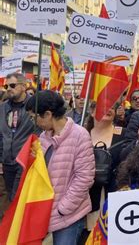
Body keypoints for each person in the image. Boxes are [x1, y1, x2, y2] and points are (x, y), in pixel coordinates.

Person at [25, 90, 95, 244]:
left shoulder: (80, 135)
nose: (33, 122)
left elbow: (84, 178)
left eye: (34, 117)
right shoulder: (44, 136)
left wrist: (63, 209)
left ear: (48, 114)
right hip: (46, 211)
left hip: (68, 215)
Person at [84, 102, 125, 231]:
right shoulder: (82, 134)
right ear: (92, 111)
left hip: (115, 195)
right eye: (103, 105)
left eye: (112, 107)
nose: (109, 109)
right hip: (88, 197)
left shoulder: (123, 134)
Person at [0, 73, 37, 201]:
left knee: (17, 198)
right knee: (11, 196)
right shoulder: (2, 108)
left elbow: (39, 132)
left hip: (24, 161)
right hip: (7, 162)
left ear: (23, 86)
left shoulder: (34, 104)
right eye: (6, 86)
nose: (9, 88)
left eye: (12, 85)